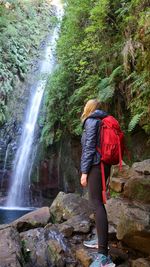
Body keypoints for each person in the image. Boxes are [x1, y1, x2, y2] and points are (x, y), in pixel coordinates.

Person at [80, 99, 115, 267]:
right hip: (104, 164)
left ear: (89, 109)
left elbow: (89, 147)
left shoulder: (91, 121)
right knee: (98, 203)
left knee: (96, 203)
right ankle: (99, 240)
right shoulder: (103, 120)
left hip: (95, 165)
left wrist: (84, 172)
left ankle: (103, 257)